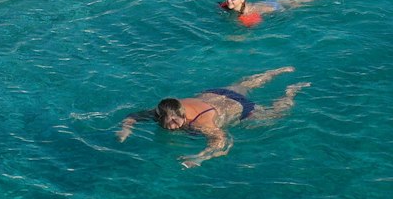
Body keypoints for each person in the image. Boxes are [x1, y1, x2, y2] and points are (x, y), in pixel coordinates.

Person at [115, 67, 309, 167]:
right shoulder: (162, 111)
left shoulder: (201, 123)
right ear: (160, 116)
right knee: (245, 83)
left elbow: (220, 141)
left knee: (274, 115)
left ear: (183, 114)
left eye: (176, 122)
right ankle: (277, 72)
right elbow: (133, 116)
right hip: (216, 93)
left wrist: (199, 158)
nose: (173, 126)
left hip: (238, 106)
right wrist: (126, 129)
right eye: (169, 122)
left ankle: (290, 92)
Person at [218, 0, 317, 29]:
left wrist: (284, 13)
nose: (228, 0)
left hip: (274, 7)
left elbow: (256, 25)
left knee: (295, 4)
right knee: (290, 0)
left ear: (242, 0)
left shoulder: (247, 14)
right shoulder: (226, 5)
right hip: (266, 2)